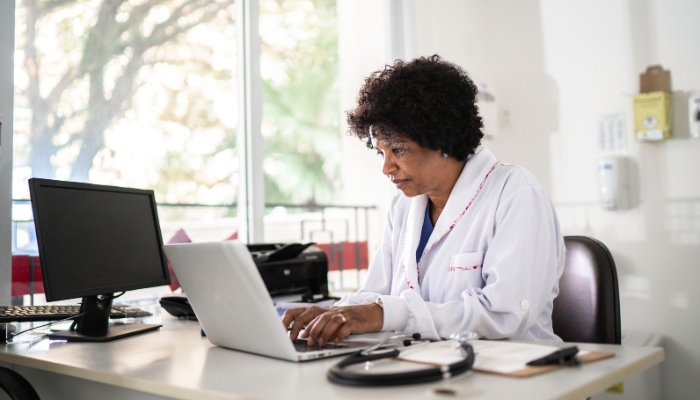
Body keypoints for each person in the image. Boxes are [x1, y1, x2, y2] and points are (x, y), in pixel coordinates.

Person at [281, 55, 565, 347]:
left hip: (516, 373)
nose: (386, 167)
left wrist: (388, 314)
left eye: (399, 150)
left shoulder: (515, 193)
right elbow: (377, 293)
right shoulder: (405, 206)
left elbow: (504, 316)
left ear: (442, 139)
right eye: (381, 152)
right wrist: (328, 314)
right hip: (430, 367)